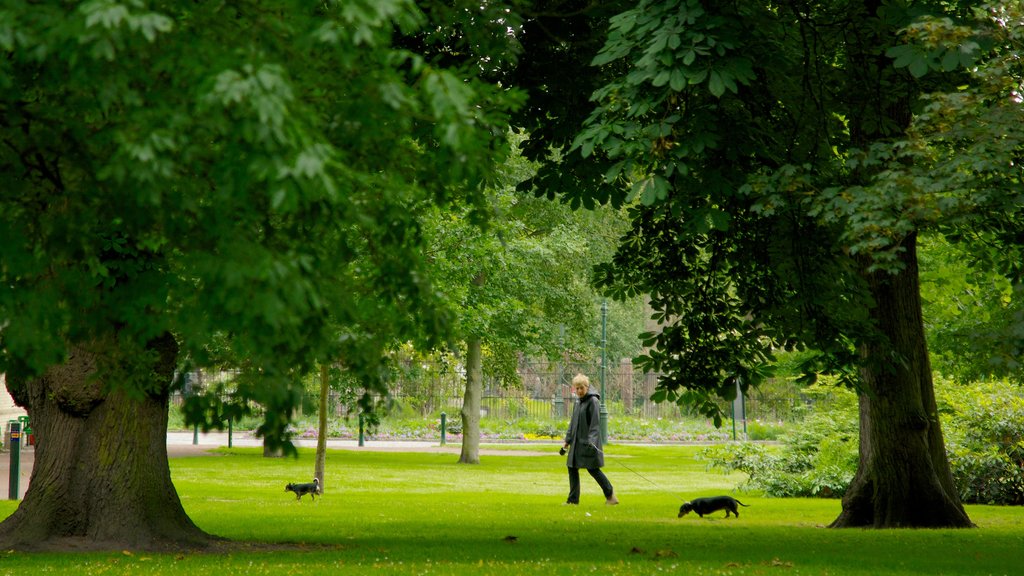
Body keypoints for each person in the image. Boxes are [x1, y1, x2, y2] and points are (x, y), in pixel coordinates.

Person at [560, 373, 618, 505]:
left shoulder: (593, 401)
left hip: (588, 443)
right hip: (576, 443)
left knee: (593, 469)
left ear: (587, 387)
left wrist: (591, 441)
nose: (579, 391)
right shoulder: (578, 402)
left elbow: (595, 424)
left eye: (581, 388)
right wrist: (567, 441)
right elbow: (573, 423)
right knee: (572, 468)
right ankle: (573, 500)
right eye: (577, 388)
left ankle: (610, 495)